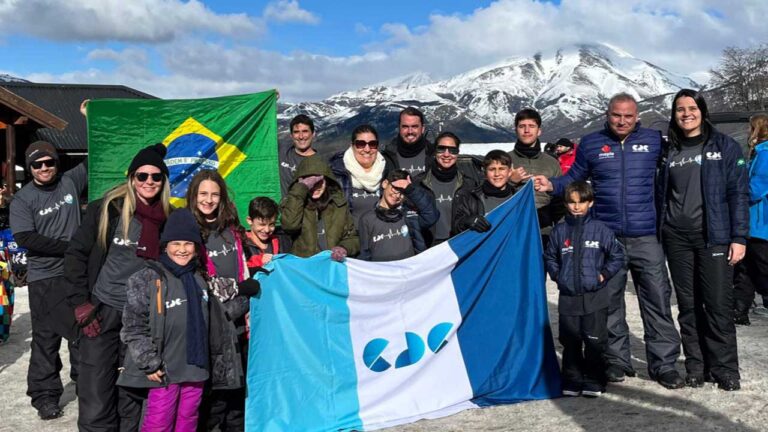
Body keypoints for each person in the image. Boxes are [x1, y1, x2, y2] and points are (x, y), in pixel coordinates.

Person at [534, 93, 684, 389]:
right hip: (606, 236)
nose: (622, 121)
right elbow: (574, 177)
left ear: (637, 116)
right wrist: (552, 184)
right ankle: (616, 360)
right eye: (617, 115)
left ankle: (664, 363)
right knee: (611, 302)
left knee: (657, 299)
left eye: (628, 116)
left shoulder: (655, 141)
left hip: (646, 236)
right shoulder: (591, 143)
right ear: (607, 114)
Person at [64, 143, 171, 431]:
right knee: (96, 389)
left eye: (156, 176)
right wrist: (81, 303)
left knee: (132, 393)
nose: (149, 182)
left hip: (143, 317)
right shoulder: (108, 209)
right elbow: (76, 255)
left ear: (164, 181)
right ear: (131, 177)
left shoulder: (168, 218)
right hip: (104, 310)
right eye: (142, 176)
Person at [657, 89, 748, 391]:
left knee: (718, 304)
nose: (686, 114)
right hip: (677, 238)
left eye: (692, 108)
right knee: (688, 304)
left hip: (714, 238)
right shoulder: (668, 150)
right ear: (674, 114)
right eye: (680, 109)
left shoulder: (725, 146)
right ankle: (696, 366)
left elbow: (738, 195)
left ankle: (725, 368)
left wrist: (739, 237)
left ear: (702, 111)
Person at [9, 140, 86, 419]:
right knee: (46, 337)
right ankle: (45, 395)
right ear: (30, 168)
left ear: (56, 163)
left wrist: (91, 118)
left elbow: (101, 151)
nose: (44, 168)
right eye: (37, 164)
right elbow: (26, 238)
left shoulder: (70, 182)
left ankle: (86, 382)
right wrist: (70, 248)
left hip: (78, 272)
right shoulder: (23, 198)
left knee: (84, 328)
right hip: (45, 276)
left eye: (49, 162)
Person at [119, 209, 209, 431]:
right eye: (176, 243)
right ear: (165, 245)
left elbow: (218, 315)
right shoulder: (147, 278)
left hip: (194, 368)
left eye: (188, 244)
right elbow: (134, 327)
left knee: (188, 420)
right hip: (164, 370)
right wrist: (149, 362)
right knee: (158, 422)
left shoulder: (199, 281)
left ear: (196, 248)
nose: (181, 249)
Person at [544, 181, 624, 398]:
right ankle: (572, 379)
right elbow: (550, 256)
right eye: (571, 202)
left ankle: (594, 380)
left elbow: (617, 255)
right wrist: (558, 276)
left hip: (594, 296)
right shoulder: (560, 231)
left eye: (581, 202)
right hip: (568, 296)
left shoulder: (600, 229)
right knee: (570, 341)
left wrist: (603, 274)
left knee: (594, 340)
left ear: (591, 203)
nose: (576, 207)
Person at [185, 170, 249, 431]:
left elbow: (243, 265)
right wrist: (237, 293)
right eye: (203, 194)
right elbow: (195, 280)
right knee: (215, 398)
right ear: (193, 196)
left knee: (237, 394)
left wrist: (244, 305)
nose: (209, 200)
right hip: (212, 322)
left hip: (239, 320)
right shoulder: (189, 231)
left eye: (214, 194)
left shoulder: (230, 228)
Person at [282, 155, 359, 260]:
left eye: (319, 182)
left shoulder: (339, 205)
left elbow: (352, 238)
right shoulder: (295, 203)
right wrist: (301, 189)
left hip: (332, 266)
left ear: (327, 181)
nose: (315, 187)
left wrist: (343, 248)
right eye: (310, 183)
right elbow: (290, 226)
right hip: (304, 267)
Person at [507, 108, 562, 247]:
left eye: (531, 126)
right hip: (511, 231)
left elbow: (559, 202)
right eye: (522, 126)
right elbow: (491, 197)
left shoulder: (552, 163)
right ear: (516, 130)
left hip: (543, 232)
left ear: (539, 131)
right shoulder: (505, 160)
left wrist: (561, 231)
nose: (526, 130)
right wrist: (511, 182)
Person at [358, 169, 438, 261]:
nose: (397, 195)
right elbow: (364, 253)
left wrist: (411, 190)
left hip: (408, 270)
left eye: (402, 192)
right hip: (380, 272)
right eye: (395, 188)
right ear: (385, 183)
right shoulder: (367, 218)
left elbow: (431, 215)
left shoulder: (410, 215)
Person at [734, 113, 768, 325]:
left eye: (749, 128)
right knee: (745, 270)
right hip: (751, 224)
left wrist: (735, 192)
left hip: (761, 224)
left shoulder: (765, 155)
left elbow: (757, 188)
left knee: (763, 269)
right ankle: (739, 311)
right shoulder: (757, 154)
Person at [416, 132, 476, 246]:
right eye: (441, 149)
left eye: (452, 150)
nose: (446, 154)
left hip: (459, 246)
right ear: (434, 151)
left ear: (458, 153)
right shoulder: (419, 183)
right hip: (428, 248)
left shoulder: (469, 184)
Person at [329, 124, 394, 223]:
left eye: (372, 144)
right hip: (350, 236)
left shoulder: (387, 170)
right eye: (360, 144)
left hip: (381, 234)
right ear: (352, 146)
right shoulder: (338, 174)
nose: (367, 149)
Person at [452, 150, 516, 235]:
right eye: (492, 169)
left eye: (502, 169)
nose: (497, 174)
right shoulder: (470, 197)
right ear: (484, 171)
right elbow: (456, 227)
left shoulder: (518, 196)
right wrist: (467, 222)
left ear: (510, 172)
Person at [383, 106, 434, 177]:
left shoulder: (434, 155)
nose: (410, 131)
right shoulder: (386, 157)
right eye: (405, 127)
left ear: (422, 129)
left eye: (414, 126)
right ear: (399, 128)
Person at [244, 197, 291, 272]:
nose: (267, 230)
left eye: (271, 224)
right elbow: (240, 270)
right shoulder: (241, 244)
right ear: (249, 221)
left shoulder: (282, 241)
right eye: (262, 224)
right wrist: (259, 261)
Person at [280, 115, 318, 197]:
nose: (301, 136)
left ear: (313, 134)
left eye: (305, 131)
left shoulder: (320, 163)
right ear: (291, 135)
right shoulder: (282, 152)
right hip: (279, 208)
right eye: (296, 132)